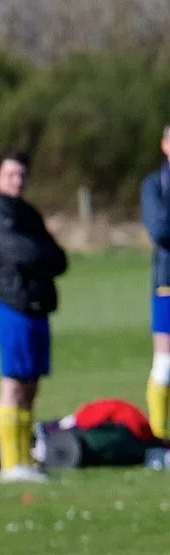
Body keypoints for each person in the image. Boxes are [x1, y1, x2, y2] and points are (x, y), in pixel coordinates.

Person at [0, 148, 68, 484]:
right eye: (10, 175)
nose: (17, 181)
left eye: (21, 175)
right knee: (13, 386)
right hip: (13, 309)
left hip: (38, 309)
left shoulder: (28, 214)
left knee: (31, 388)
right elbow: (22, 253)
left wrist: (42, 256)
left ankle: (27, 458)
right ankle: (10, 463)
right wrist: (41, 255)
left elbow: (58, 258)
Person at [139, 125, 170, 437]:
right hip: (167, 282)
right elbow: (159, 229)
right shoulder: (155, 185)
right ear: (164, 145)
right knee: (165, 362)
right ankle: (160, 436)